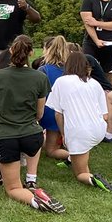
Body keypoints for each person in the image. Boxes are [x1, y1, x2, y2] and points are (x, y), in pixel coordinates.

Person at [0, 36, 65, 213]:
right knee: (31, 137)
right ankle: (31, 178)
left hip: (7, 136)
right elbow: (39, 114)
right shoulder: (39, 77)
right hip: (33, 136)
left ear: (11, 51)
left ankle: (37, 199)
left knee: (13, 189)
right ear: (31, 53)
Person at [45, 51, 112, 191]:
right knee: (83, 148)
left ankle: (92, 179)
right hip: (99, 130)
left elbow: (58, 114)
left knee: (81, 173)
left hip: (79, 132)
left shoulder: (61, 82)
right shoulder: (94, 83)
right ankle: (72, 159)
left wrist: (64, 134)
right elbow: (105, 115)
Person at [37, 36, 71, 167]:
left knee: (50, 150)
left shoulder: (43, 70)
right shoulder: (70, 70)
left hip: (47, 111)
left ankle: (73, 156)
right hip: (64, 111)